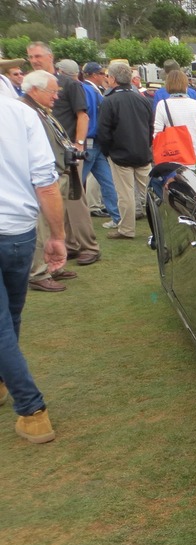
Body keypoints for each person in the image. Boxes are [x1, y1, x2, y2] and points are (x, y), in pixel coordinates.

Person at [0, 95, 67, 443]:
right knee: (9, 316)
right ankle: (7, 382)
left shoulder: (22, 111)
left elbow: (46, 180)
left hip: (17, 229)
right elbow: (45, 181)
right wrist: (57, 235)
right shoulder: (20, 112)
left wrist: (56, 235)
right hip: (17, 230)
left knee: (7, 319)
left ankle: (31, 410)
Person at [18, 70, 80, 292]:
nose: (56, 97)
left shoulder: (39, 110)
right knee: (42, 227)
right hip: (42, 180)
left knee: (52, 223)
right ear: (35, 90)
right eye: (52, 92)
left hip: (55, 174)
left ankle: (52, 266)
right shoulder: (25, 111)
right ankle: (38, 272)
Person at [97, 61, 154, 240]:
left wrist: (108, 152)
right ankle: (160, 227)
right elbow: (150, 127)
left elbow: (104, 131)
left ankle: (127, 229)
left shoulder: (110, 101)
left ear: (112, 78)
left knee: (125, 194)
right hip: (143, 152)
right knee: (150, 192)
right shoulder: (142, 99)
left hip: (121, 154)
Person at [80, 61, 123, 235]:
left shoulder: (91, 90)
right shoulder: (88, 90)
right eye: (101, 73)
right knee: (80, 182)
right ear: (93, 75)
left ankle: (117, 216)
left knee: (107, 181)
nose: (104, 76)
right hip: (91, 140)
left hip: (94, 142)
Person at [153, 69, 196, 157]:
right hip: (195, 153)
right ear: (186, 84)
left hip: (173, 153)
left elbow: (157, 133)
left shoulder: (163, 105)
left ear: (168, 85)